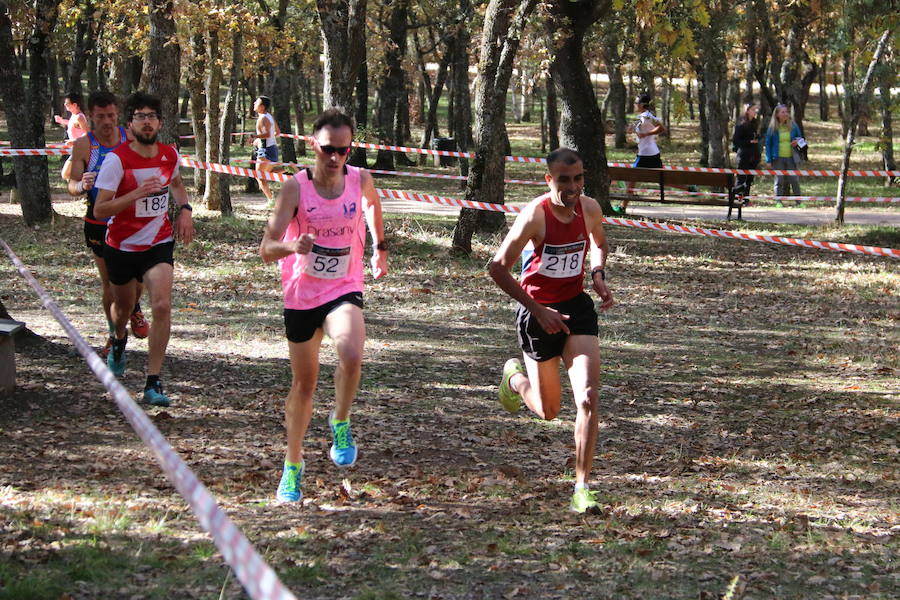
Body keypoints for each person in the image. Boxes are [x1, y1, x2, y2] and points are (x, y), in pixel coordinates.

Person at [259, 108, 388, 503]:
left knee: (351, 351)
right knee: (305, 385)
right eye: (328, 150)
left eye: (343, 151)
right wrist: (291, 246)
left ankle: (341, 421)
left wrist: (379, 248)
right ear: (314, 145)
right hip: (302, 295)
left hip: (343, 287)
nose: (335, 158)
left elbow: (373, 205)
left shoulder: (361, 179)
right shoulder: (295, 189)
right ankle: (292, 465)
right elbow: (266, 249)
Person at [489, 147, 615, 514]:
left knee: (588, 398)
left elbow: (600, 243)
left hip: (576, 308)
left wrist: (598, 274)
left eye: (578, 179)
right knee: (548, 411)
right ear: (549, 180)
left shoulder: (589, 208)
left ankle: (582, 487)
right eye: (564, 180)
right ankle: (513, 379)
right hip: (537, 313)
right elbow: (497, 268)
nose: (572, 187)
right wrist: (536, 309)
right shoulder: (535, 215)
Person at [94, 91, 194, 407]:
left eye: (152, 116)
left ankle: (153, 381)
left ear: (160, 123)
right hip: (121, 247)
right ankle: (119, 339)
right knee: (122, 309)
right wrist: (136, 194)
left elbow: (176, 184)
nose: (147, 121)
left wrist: (186, 209)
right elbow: (100, 210)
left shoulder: (169, 155)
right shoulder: (116, 160)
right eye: (140, 116)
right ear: (130, 123)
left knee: (162, 305)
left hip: (157, 244)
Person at [64, 90, 149, 358]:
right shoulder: (84, 145)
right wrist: (81, 184)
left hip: (133, 220)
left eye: (111, 115)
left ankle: (133, 307)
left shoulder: (130, 137)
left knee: (137, 281)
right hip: (99, 221)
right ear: (90, 116)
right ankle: (114, 335)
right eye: (101, 116)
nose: (107, 121)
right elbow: (71, 185)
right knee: (110, 284)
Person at [621, 93, 666, 213]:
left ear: (641, 105)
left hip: (646, 154)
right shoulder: (642, 117)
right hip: (650, 153)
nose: (634, 105)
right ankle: (690, 188)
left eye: (636, 103)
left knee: (631, 179)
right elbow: (634, 128)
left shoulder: (646, 116)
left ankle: (622, 207)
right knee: (662, 178)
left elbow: (662, 128)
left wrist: (647, 134)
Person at [765, 103, 804, 204]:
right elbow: (768, 144)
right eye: (783, 112)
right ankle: (778, 202)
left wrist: (797, 141)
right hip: (777, 158)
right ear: (777, 114)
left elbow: (801, 139)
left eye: (786, 112)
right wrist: (768, 159)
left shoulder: (793, 126)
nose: (786, 114)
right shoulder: (772, 128)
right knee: (779, 180)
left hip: (791, 157)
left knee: (794, 180)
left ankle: (799, 202)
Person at [250, 96, 283, 208]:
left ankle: (271, 200)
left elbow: (268, 134)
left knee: (259, 176)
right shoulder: (269, 116)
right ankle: (287, 169)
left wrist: (254, 136)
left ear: (262, 107)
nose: (254, 103)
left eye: (257, 102)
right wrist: (258, 140)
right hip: (271, 148)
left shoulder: (263, 118)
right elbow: (277, 132)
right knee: (263, 175)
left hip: (266, 150)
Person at [732, 103, 761, 204]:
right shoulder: (741, 124)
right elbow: (736, 141)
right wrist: (749, 142)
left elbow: (756, 136)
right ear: (747, 110)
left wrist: (757, 139)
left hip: (754, 154)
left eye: (755, 110)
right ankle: (738, 199)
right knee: (741, 178)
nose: (755, 112)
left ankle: (746, 199)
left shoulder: (755, 123)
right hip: (744, 154)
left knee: (749, 178)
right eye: (753, 109)